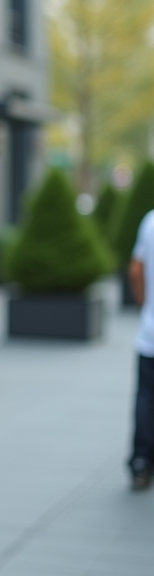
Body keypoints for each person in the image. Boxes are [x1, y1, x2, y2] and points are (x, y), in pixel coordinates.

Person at [127, 210, 154, 490]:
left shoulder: (150, 220)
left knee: (147, 397)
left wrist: (145, 306)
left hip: (150, 333)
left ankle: (141, 463)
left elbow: (135, 270)